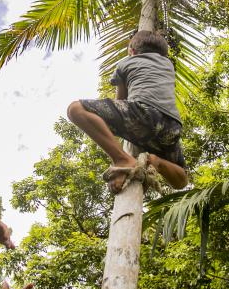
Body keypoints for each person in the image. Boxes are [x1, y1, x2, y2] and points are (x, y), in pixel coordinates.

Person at [67, 30, 189, 193]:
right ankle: (156, 161)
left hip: (143, 115)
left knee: (75, 109)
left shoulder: (125, 63)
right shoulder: (168, 65)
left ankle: (122, 160)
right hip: (171, 126)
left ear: (132, 51)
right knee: (181, 180)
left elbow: (120, 101)